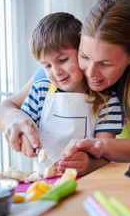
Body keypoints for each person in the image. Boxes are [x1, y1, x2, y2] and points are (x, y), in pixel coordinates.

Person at [0, 0, 130, 175]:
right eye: (84, 57)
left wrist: (98, 146)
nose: (90, 73)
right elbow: (3, 109)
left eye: (105, 64)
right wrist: (14, 119)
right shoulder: (60, 67)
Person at [19, 12, 123, 171]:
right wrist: (24, 138)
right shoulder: (39, 92)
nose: (56, 72)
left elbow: (105, 156)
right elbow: (22, 128)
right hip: (44, 182)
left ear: (82, 53)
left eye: (62, 60)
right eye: (46, 66)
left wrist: (88, 164)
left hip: (87, 182)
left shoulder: (107, 101)